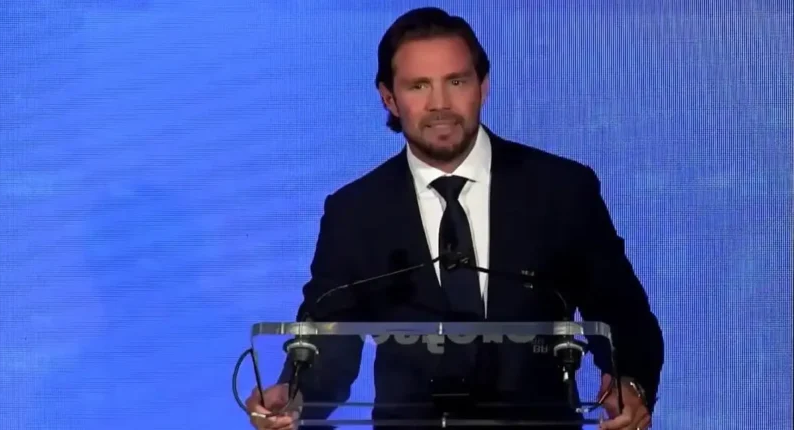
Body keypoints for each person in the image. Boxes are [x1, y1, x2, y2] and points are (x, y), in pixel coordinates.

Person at [246, 7, 663, 430]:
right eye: (418, 86)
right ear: (389, 98)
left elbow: (622, 313)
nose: (440, 104)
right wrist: (294, 394)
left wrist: (630, 382)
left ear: (483, 86)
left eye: (457, 81)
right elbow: (326, 341)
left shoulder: (561, 190)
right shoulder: (355, 212)